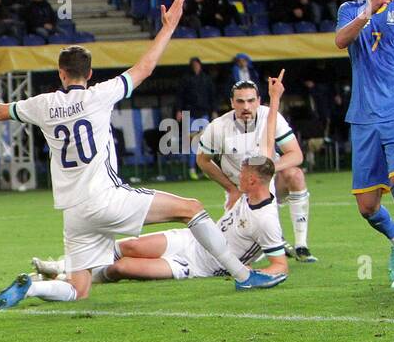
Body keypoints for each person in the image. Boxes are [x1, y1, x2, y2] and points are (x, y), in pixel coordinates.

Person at [0, 0, 286, 309]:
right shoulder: (99, 94)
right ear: (89, 73)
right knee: (192, 209)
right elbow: (145, 68)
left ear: (60, 74)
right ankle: (243, 275)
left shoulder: (41, 104)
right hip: (107, 198)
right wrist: (168, 28)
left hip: (74, 212)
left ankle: (34, 289)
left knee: (78, 289)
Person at [35, 75, 291, 287]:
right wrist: (275, 98)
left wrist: (251, 272)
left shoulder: (266, 218)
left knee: (120, 268)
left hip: (200, 264)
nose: (237, 175)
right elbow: (268, 141)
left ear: (255, 180)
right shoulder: (254, 186)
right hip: (192, 239)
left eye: (243, 173)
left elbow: (281, 266)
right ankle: (61, 265)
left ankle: (61, 280)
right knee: (130, 246)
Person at [334, 0, 394, 288]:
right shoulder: (349, 10)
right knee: (368, 207)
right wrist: (366, 12)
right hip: (364, 116)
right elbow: (340, 41)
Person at [196, 77, 315, 261]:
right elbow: (203, 160)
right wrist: (231, 189)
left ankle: (301, 246)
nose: (246, 106)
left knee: (295, 174)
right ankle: (273, 241)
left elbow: (296, 155)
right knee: (237, 255)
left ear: (259, 101)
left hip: (271, 182)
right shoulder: (218, 127)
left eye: (251, 100)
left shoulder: (270, 116)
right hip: (241, 191)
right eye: (240, 101)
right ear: (231, 103)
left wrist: (265, 169)